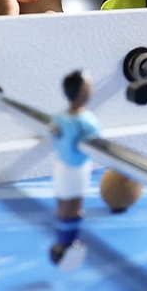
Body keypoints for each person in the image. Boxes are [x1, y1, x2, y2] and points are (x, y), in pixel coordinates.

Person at [49, 69, 101, 270]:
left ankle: (63, 243)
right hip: (76, 167)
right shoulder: (85, 121)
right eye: (88, 86)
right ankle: (67, 245)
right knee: (73, 204)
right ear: (81, 92)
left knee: (63, 201)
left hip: (61, 164)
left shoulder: (60, 117)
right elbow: (98, 137)